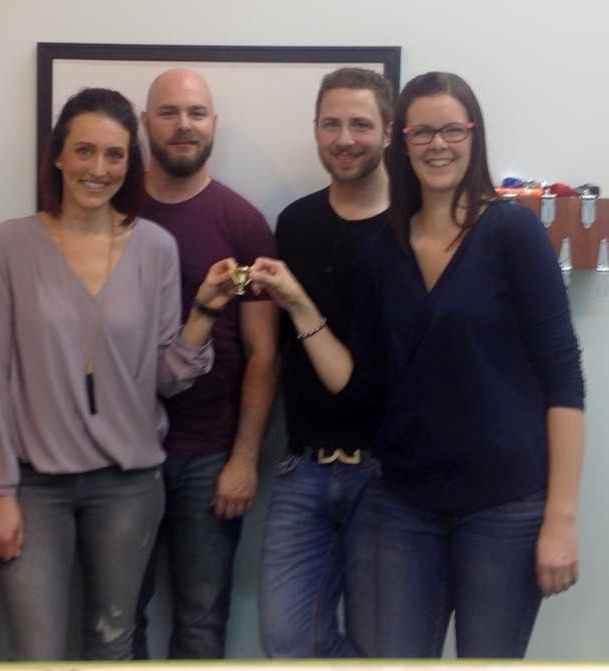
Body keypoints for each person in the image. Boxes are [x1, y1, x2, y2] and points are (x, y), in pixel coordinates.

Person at [251, 71, 585, 658]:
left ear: (473, 136)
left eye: (452, 129)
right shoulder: (383, 253)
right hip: (402, 504)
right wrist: (299, 305)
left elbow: (564, 381)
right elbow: (359, 386)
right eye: (423, 131)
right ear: (401, 142)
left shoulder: (513, 234)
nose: (438, 144)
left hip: (505, 508)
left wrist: (560, 519)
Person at [0, 87, 237, 661]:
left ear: (130, 163)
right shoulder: (10, 245)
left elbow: (166, 378)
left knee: (111, 644)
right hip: (33, 484)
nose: (99, 169)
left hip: (129, 484)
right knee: (37, 651)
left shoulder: (156, 248)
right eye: (85, 151)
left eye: (114, 155)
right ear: (59, 157)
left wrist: (205, 311)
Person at [133, 67, 278, 660]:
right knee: (114, 617)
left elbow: (264, 353)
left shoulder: (242, 222)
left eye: (196, 113)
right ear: (145, 123)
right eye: (168, 113)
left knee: (201, 620)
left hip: (209, 456)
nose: (183, 126)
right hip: (118, 453)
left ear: (213, 124)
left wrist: (244, 459)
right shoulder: (110, 208)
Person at [258, 67, 392, 658]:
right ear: (314, 130)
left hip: (390, 477)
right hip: (304, 469)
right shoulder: (295, 222)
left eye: (361, 124)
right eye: (331, 123)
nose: (345, 138)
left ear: (389, 133)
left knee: (386, 645)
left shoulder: (416, 227)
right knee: (287, 642)